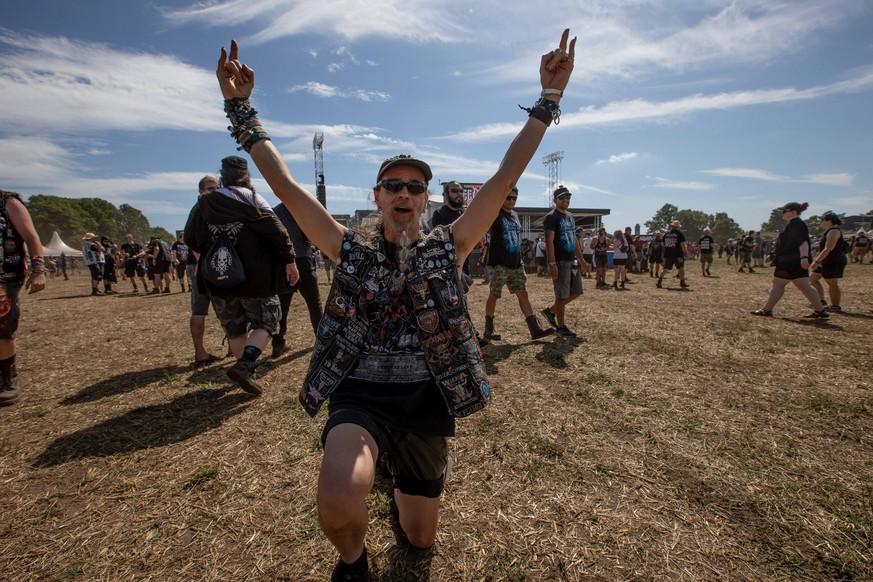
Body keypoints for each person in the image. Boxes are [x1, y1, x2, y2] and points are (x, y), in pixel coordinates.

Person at [215, 29, 575, 579]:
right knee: (338, 498)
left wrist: (548, 100)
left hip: (427, 398)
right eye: (392, 184)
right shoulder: (347, 248)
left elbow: (507, 175)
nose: (403, 192)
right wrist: (242, 110)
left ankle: (413, 475)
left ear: (426, 198)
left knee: (419, 539)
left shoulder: (449, 245)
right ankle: (353, 561)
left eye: (414, 185)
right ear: (378, 196)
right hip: (361, 394)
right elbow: (287, 189)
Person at [185, 156, 298, 394]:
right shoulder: (253, 199)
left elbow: (190, 238)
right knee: (268, 321)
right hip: (254, 279)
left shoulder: (203, 204)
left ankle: (246, 371)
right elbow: (278, 233)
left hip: (217, 279)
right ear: (246, 176)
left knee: (234, 327)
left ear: (223, 176)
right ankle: (246, 365)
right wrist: (289, 261)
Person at [482, 186, 553, 341]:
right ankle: (488, 329)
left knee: (523, 294)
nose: (511, 201)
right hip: (498, 264)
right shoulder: (495, 213)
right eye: (508, 197)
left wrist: (519, 259)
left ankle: (535, 329)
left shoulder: (514, 215)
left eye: (514, 198)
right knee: (494, 295)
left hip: (515, 264)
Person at [0, 190, 47, 406]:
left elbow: (31, 236)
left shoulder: (7, 202)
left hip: (4, 276)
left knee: (3, 329)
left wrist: (38, 269)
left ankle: (7, 379)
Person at [751, 202, 828, 319]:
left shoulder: (796, 224)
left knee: (778, 284)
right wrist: (773, 254)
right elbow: (785, 243)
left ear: (793, 212)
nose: (782, 213)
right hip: (793, 260)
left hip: (790, 260)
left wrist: (803, 258)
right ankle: (820, 310)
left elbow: (803, 242)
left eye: (784, 211)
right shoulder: (794, 224)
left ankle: (767, 309)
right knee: (805, 286)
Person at [272, 201, 324, 358]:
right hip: (302, 260)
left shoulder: (274, 211)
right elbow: (312, 235)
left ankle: (278, 343)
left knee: (282, 306)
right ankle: (321, 340)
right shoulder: (300, 208)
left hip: (283, 263)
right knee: (314, 303)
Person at [541, 185, 588, 337]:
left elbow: (574, 239)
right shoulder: (551, 217)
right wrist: (552, 263)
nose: (565, 200)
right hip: (560, 261)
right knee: (561, 295)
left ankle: (551, 311)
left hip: (571, 260)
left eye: (568, 197)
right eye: (562, 197)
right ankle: (561, 327)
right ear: (555, 200)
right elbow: (549, 240)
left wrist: (582, 259)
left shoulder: (570, 216)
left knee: (576, 291)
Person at [187, 175, 222, 366]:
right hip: (204, 268)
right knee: (199, 310)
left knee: (228, 309)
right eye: (210, 189)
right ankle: (200, 353)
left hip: (219, 266)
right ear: (201, 191)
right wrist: (201, 258)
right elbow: (188, 238)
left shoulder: (219, 207)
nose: (214, 192)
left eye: (217, 188)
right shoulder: (199, 208)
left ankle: (234, 347)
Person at [809, 211, 848, 313]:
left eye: (822, 219)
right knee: (812, 279)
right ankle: (821, 301)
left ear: (829, 221)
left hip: (833, 260)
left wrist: (817, 261)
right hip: (826, 260)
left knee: (832, 283)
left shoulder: (834, 231)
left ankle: (835, 306)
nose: (820, 222)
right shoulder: (828, 231)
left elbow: (828, 248)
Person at [656, 220, 688, 290]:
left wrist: (668, 247)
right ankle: (682, 282)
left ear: (672, 226)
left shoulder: (666, 234)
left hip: (668, 254)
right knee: (681, 268)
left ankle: (659, 281)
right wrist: (686, 253)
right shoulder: (679, 234)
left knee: (665, 269)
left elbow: (662, 244)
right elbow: (683, 245)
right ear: (678, 227)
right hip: (678, 254)